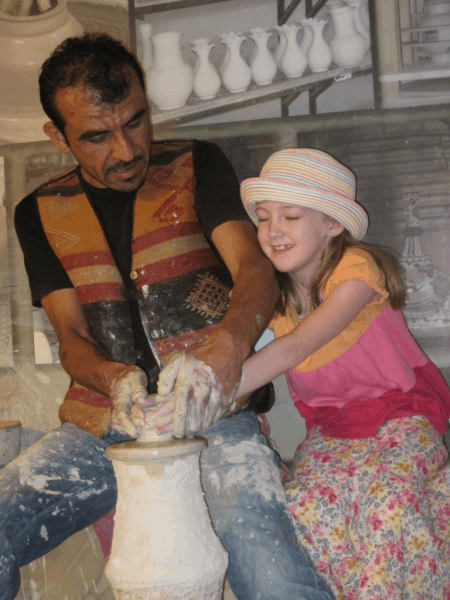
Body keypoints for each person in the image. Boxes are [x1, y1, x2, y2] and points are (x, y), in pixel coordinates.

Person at [3, 33, 335, 600]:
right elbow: (73, 339)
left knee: (271, 570)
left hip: (216, 416)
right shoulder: (38, 212)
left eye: (136, 121)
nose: (127, 149)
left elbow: (254, 269)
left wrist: (227, 348)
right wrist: (113, 378)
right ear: (58, 137)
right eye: (97, 136)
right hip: (102, 426)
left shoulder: (196, 163)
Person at [234, 147, 450, 599]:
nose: (273, 231)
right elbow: (242, 355)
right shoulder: (271, 296)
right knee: (306, 508)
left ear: (332, 224)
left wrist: (211, 390)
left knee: (389, 507)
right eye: (264, 217)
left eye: (290, 216)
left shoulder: (357, 272)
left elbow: (297, 346)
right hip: (332, 432)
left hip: (401, 416)